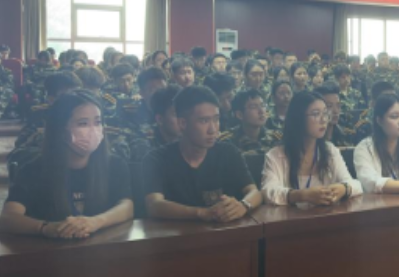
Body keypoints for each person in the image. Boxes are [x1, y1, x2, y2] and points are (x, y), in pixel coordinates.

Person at [0, 90, 133, 238]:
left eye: (97, 122)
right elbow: (8, 218)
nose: (93, 130)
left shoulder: (115, 164)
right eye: (83, 124)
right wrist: (45, 227)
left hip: (102, 247)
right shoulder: (33, 170)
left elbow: (126, 206)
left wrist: (96, 222)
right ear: (61, 130)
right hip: (50, 249)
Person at [143, 86, 263, 222]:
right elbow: (154, 205)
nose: (213, 129)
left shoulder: (228, 152)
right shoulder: (157, 159)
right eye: (204, 121)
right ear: (182, 123)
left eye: (216, 119)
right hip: (176, 233)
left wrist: (243, 205)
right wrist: (201, 213)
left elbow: (254, 192)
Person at [262, 91, 362, 207]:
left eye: (325, 113)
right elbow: (268, 192)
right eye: (316, 114)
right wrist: (301, 195)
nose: (323, 120)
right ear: (298, 118)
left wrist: (343, 188)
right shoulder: (275, 155)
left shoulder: (329, 150)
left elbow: (356, 185)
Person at [218, 89, 282, 157]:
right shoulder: (227, 141)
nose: (261, 111)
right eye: (253, 107)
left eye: (263, 105)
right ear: (240, 115)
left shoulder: (276, 138)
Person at [128, 85, 182, 162]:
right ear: (160, 119)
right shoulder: (144, 147)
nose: (184, 119)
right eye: (176, 114)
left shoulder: (191, 140)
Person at [314, 82, 353, 147]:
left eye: (338, 105)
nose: (336, 111)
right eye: (329, 106)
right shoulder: (312, 139)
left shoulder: (345, 134)